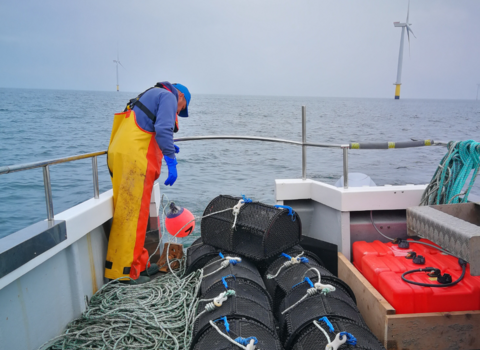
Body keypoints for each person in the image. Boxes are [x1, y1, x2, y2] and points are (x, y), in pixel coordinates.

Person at [105, 81, 191, 283]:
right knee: (133, 216)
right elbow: (163, 128)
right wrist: (170, 159)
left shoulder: (151, 94)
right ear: (180, 98)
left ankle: (135, 264)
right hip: (135, 158)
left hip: (119, 152)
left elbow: (149, 126)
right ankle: (125, 273)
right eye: (181, 109)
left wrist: (167, 146)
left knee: (130, 213)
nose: (178, 113)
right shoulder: (169, 97)